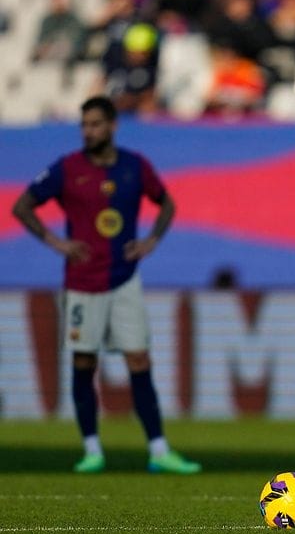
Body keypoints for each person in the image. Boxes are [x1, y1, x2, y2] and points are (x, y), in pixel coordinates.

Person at [11, 96, 199, 475]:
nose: (88, 131)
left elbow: (166, 204)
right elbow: (22, 206)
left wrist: (150, 241)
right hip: (83, 282)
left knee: (139, 360)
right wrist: (57, 243)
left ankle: (159, 450)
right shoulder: (67, 168)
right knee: (84, 362)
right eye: (84, 125)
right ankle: (92, 450)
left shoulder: (134, 166)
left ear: (112, 126)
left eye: (95, 124)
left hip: (124, 278)